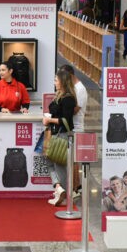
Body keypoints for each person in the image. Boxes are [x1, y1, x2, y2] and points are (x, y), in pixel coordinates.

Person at [44, 69, 76, 206]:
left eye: (56, 80)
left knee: (60, 166)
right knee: (50, 161)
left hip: (61, 135)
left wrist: (50, 120)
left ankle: (63, 197)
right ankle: (59, 189)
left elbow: (66, 121)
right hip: (55, 134)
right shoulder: (60, 95)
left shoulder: (68, 98)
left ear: (62, 82)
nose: (54, 82)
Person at [61, 64, 88, 197]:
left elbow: (76, 109)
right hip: (71, 127)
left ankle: (76, 189)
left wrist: (62, 111)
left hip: (77, 127)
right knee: (71, 159)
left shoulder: (80, 89)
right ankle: (74, 187)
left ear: (70, 75)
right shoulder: (73, 88)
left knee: (74, 160)